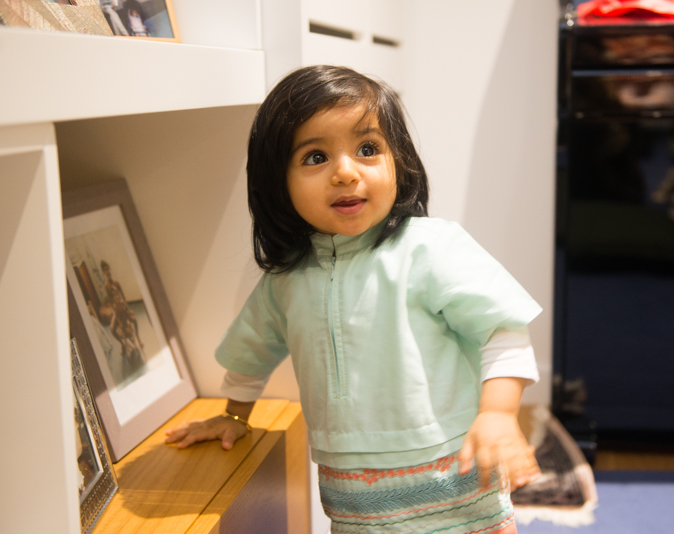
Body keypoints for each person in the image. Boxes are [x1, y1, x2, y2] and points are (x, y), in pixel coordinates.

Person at [165, 65, 542, 533]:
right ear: (276, 180)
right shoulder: (288, 280)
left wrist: (499, 414)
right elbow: (251, 350)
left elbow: (503, 329)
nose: (345, 172)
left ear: (399, 160)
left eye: (367, 149)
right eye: (315, 157)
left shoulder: (431, 248)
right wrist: (234, 415)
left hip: (457, 478)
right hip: (355, 500)